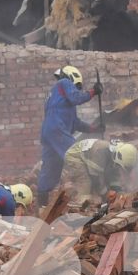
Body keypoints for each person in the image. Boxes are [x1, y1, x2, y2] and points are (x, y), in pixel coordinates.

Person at [38, 65, 97, 202]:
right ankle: (86, 195)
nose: (75, 90)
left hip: (49, 132)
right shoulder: (64, 82)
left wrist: (93, 129)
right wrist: (93, 92)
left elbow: (75, 123)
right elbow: (76, 97)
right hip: (57, 129)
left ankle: (42, 204)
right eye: (76, 87)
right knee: (76, 156)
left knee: (51, 167)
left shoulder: (58, 99)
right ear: (72, 78)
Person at [63, 138, 137, 197]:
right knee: (85, 182)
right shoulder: (100, 154)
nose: (119, 167)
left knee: (103, 179)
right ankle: (80, 202)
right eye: (120, 165)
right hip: (74, 156)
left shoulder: (115, 152)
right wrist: (105, 194)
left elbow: (113, 172)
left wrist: (116, 189)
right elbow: (96, 177)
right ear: (118, 156)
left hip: (89, 157)